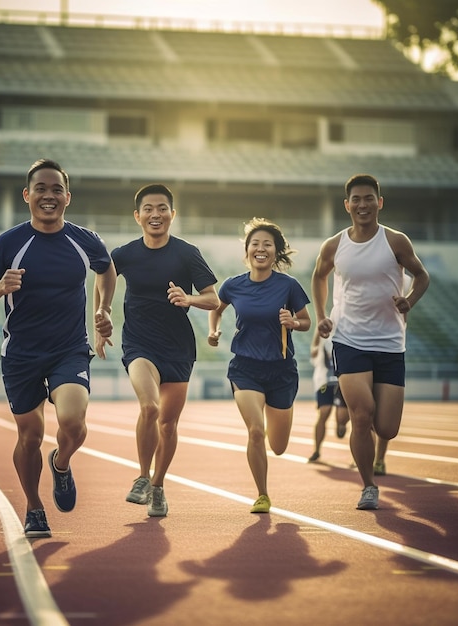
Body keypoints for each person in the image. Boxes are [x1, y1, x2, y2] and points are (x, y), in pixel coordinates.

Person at [0, 158, 116, 538]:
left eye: (56, 189)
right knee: (30, 436)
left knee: (73, 422)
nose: (48, 196)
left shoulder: (85, 240)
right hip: (21, 353)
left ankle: (62, 463)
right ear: (27, 195)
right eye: (41, 189)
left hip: (69, 348)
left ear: (67, 197)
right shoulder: (10, 243)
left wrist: (103, 308)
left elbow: (107, 269)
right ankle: (34, 508)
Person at [97, 183, 219, 517]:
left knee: (168, 424)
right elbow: (103, 278)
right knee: (149, 407)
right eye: (148, 209)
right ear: (137, 216)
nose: (156, 214)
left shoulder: (187, 253)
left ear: (172, 214)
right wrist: (102, 314)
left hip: (178, 348)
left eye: (162, 208)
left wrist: (189, 298)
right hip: (139, 343)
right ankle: (141, 477)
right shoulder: (124, 254)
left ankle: (159, 485)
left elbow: (213, 298)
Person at [311, 173, 429, 510]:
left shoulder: (396, 242)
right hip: (348, 338)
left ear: (379, 202)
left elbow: (422, 276)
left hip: (390, 341)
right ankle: (368, 485)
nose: (362, 205)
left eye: (368, 199)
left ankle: (377, 452)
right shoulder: (334, 245)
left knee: (387, 428)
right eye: (356, 200)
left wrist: (409, 299)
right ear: (347, 205)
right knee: (361, 416)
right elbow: (319, 277)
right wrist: (321, 315)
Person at [207, 217, 311, 514]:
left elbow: (307, 321)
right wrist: (214, 331)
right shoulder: (233, 285)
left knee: (278, 446)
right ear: (248, 250)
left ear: (276, 252)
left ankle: (281, 419)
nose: (260, 248)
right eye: (255, 244)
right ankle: (262, 494)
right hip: (245, 367)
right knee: (255, 431)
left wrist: (294, 322)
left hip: (281, 371)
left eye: (267, 244)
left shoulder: (289, 286)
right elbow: (216, 309)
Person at [307, 328, 349, 463]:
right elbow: (313, 350)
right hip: (324, 382)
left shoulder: (345, 336)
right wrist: (317, 330)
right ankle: (317, 450)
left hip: (341, 381)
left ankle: (341, 424)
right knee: (324, 412)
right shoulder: (322, 339)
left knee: (342, 419)